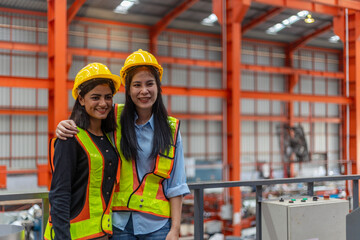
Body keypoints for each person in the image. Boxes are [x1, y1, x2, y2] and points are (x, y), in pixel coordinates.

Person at [56, 49, 190, 240]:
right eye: (137, 85)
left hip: (157, 226)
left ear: (158, 87)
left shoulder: (171, 129)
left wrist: (175, 229)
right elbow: (88, 117)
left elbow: (176, 184)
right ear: (128, 89)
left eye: (149, 84)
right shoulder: (113, 117)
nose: (144, 91)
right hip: (119, 225)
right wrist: (63, 125)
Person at [44, 63, 121, 240]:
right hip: (72, 236)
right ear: (81, 99)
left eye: (108, 97)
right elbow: (60, 194)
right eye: (95, 97)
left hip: (102, 233)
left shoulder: (109, 138)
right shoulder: (70, 138)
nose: (103, 103)